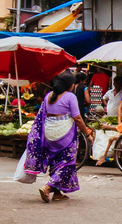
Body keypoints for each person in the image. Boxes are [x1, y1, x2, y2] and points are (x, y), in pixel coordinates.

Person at [26, 70, 85, 202]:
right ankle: (48, 187)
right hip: (64, 133)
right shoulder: (70, 97)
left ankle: (57, 193)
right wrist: (87, 132)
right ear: (70, 85)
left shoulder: (48, 96)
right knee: (67, 162)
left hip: (49, 132)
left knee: (55, 161)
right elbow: (77, 118)